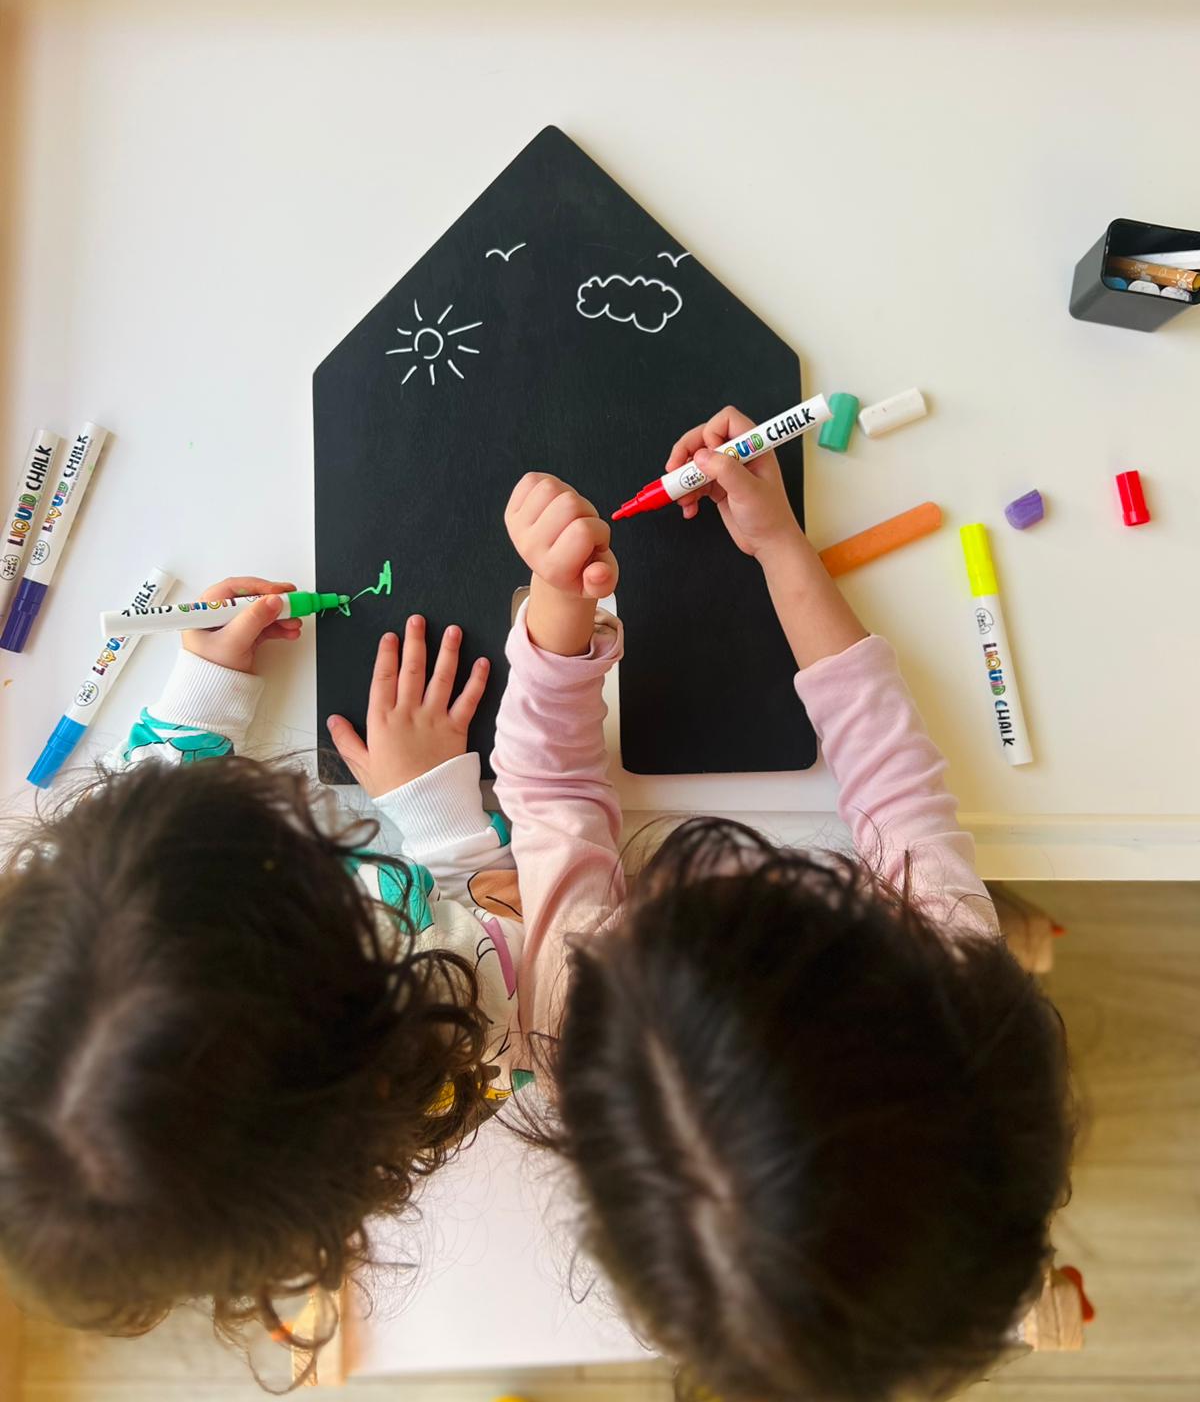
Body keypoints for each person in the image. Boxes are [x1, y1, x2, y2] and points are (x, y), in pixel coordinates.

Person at [489, 411, 1075, 1402]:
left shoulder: (580, 1024)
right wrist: (779, 544)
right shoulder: (943, 1000)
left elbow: (548, 794)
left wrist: (556, 609)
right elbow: (889, 776)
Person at [0, 576, 524, 1370]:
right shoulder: (427, 1018)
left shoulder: (73, 907)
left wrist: (204, 686)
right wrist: (434, 806)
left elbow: (148, 789)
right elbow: (519, 935)